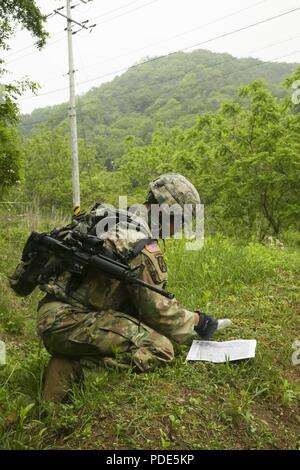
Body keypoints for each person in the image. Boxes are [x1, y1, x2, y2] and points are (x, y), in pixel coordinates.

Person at [10, 173, 219, 402]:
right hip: (68, 322)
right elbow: (158, 312)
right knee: (161, 348)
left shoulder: (113, 219)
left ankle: (65, 371)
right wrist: (198, 321)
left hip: (56, 315)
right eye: (181, 222)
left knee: (137, 330)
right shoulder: (138, 243)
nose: (179, 230)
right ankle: (74, 369)